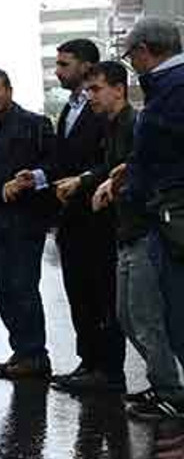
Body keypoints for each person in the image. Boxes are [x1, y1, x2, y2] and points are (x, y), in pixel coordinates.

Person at [74, 62, 184, 422]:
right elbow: (118, 168)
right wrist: (103, 179)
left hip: (145, 234)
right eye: (88, 90)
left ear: (119, 89)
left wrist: (117, 183)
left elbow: (148, 171)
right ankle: (163, 384)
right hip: (125, 235)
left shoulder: (136, 124)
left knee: (147, 318)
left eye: (96, 89)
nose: (90, 96)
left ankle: (170, 393)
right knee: (128, 317)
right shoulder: (112, 127)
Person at [14, 40, 124, 392]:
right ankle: (88, 363)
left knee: (102, 295)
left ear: (86, 66)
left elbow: (109, 160)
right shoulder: (70, 108)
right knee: (79, 295)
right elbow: (63, 160)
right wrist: (40, 177)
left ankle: (109, 371)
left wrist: (85, 182)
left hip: (99, 217)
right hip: (71, 219)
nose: (58, 71)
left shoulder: (105, 108)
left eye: (64, 64)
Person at [109, 18, 184, 431]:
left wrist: (129, 190)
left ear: (143, 52)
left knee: (170, 317)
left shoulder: (170, 92)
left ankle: (174, 400)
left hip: (167, 218)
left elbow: (154, 158)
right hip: (163, 215)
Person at [0, 68, 57, 381]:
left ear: (9, 89)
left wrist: (30, 179)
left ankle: (36, 356)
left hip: (25, 223)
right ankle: (22, 351)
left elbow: (55, 165)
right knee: (3, 291)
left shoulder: (36, 125)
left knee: (24, 289)